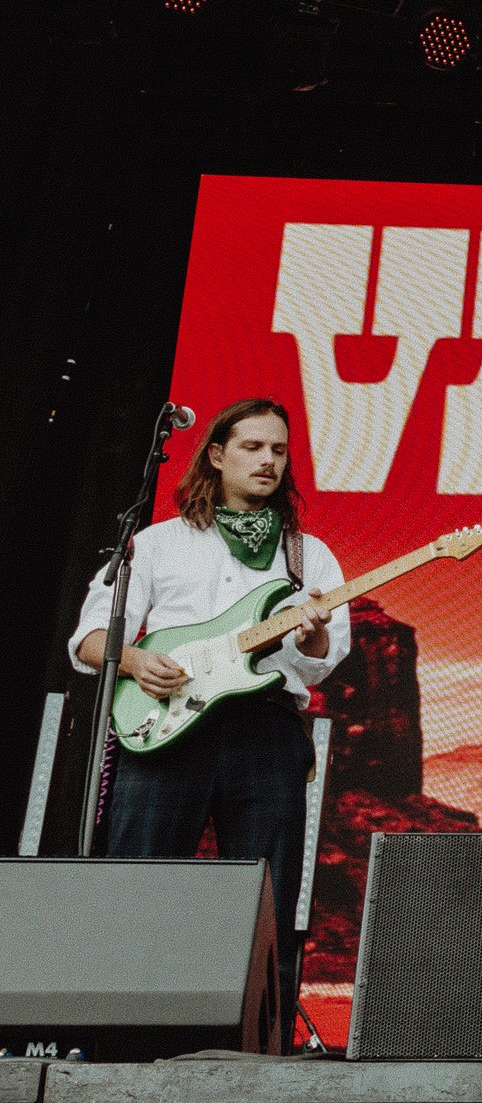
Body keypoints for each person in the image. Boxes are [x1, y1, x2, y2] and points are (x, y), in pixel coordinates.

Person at [70, 398, 350, 1018]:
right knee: (135, 884)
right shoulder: (158, 543)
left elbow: (325, 657)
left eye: (279, 450)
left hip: (265, 731)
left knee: (263, 899)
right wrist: (140, 662)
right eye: (252, 447)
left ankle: (257, 1042)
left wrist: (311, 637)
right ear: (217, 456)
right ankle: (111, 1031)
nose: (268, 461)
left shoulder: (309, 556)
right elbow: (90, 639)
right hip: (166, 727)